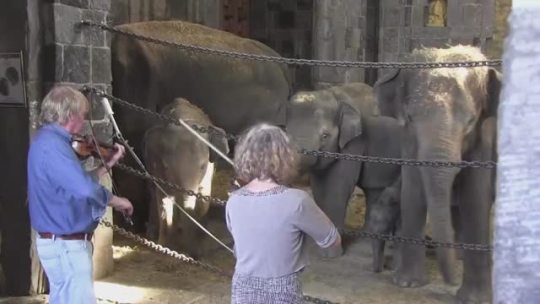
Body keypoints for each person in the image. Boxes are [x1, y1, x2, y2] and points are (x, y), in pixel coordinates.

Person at [27, 86, 133, 304]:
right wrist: (116, 201)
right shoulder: (54, 147)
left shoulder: (47, 141)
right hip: (66, 246)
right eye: (83, 116)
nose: (84, 122)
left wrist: (108, 163)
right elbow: (84, 189)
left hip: (61, 244)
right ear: (70, 115)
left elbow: (75, 183)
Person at [226, 123, 341, 304]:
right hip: (283, 291)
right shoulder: (297, 201)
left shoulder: (234, 200)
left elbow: (240, 248)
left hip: (242, 289)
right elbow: (332, 239)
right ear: (286, 157)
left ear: (244, 156)